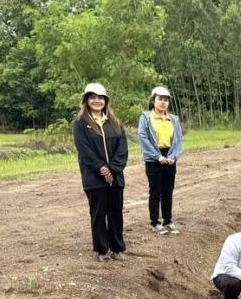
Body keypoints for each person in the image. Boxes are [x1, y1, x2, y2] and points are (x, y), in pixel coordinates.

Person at [73, 82, 129, 262]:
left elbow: (122, 149)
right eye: (92, 97)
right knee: (98, 213)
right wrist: (101, 168)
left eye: (100, 97)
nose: (96, 101)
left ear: (105, 100)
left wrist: (112, 168)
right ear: (86, 100)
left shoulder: (115, 122)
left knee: (116, 212)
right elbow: (84, 150)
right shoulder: (81, 124)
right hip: (94, 177)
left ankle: (117, 247)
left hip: (115, 176)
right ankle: (102, 250)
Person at [137, 85, 184, 235]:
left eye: (166, 100)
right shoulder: (146, 117)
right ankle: (155, 222)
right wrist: (157, 157)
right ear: (153, 100)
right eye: (160, 99)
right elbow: (143, 138)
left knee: (168, 191)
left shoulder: (174, 119)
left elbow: (178, 140)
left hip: (169, 156)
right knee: (155, 190)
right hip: (153, 158)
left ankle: (168, 221)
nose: (163, 102)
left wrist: (173, 156)